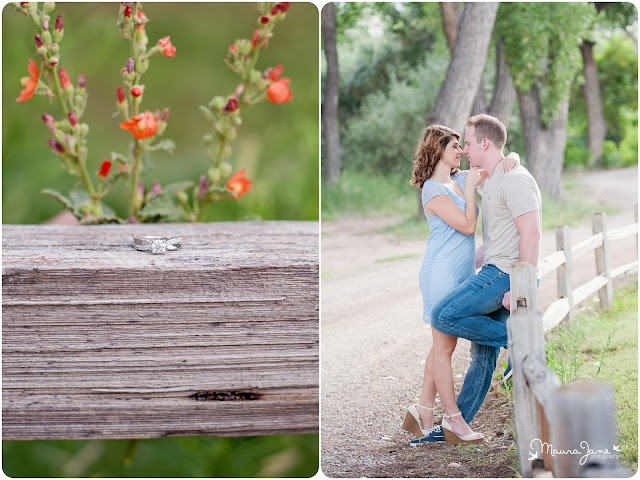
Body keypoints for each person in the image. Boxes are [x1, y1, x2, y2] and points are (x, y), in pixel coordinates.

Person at [427, 114, 541, 443]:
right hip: (495, 267)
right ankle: (455, 427)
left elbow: (530, 235)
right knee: (482, 354)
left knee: (445, 315)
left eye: (469, 142)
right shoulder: (490, 177)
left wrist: (520, 285)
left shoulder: (515, 179)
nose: (464, 150)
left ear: (485, 144)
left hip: (505, 275)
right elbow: (446, 172)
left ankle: (521, 338)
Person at [404, 123, 520, 445]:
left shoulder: (458, 179)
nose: (462, 151)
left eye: (462, 145)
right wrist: (469, 189)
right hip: (440, 273)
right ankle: (454, 420)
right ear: (439, 150)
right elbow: (468, 226)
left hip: (461, 273)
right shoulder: (432, 189)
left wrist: (513, 156)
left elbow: (494, 168)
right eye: (456, 146)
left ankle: (424, 410)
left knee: (441, 346)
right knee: (446, 346)